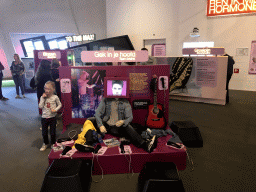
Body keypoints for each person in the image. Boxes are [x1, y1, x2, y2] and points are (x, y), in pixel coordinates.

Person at [38, 81, 62, 151]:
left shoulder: (55, 97)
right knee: (44, 133)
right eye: (45, 88)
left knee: (52, 132)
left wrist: (56, 109)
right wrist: (42, 98)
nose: (46, 90)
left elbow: (60, 105)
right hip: (44, 118)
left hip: (52, 118)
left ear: (53, 89)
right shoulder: (43, 97)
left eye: (49, 89)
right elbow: (40, 106)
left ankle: (53, 143)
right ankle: (45, 143)